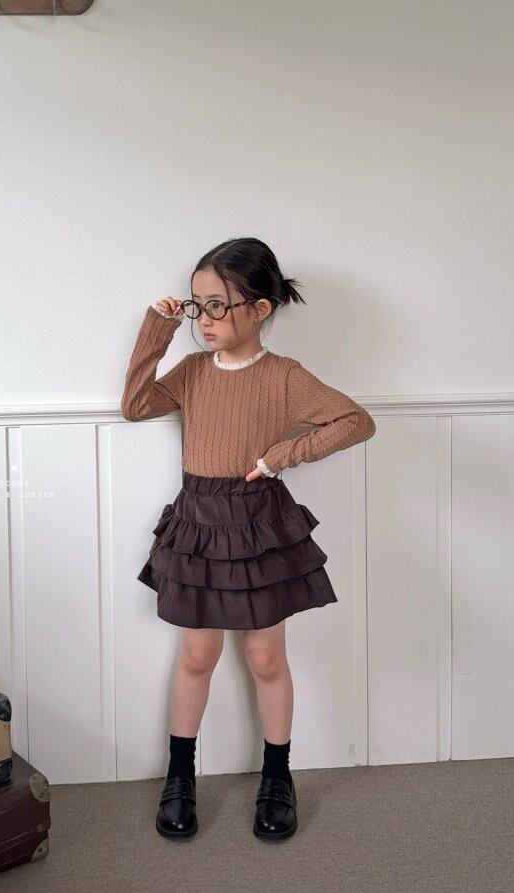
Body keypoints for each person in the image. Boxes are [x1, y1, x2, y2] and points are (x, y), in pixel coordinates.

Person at [121, 237, 376, 843]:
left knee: (265, 658)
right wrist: (157, 329)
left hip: (259, 524)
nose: (203, 320)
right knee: (197, 655)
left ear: (260, 309)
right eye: (197, 306)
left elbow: (356, 421)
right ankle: (179, 776)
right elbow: (135, 405)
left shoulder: (284, 376)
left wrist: (282, 455)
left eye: (217, 306)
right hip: (200, 522)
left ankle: (277, 778)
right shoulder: (191, 372)